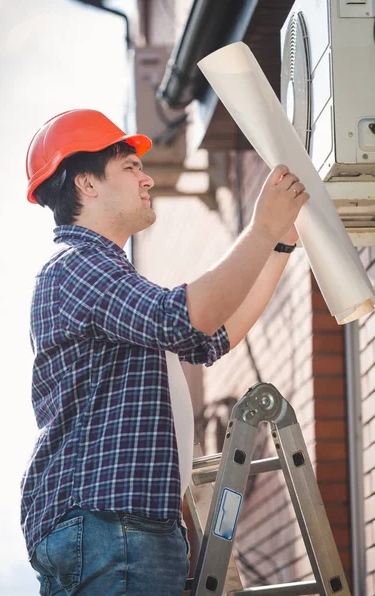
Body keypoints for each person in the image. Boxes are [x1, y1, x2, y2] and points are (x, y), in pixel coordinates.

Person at [21, 109, 309, 596]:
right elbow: (184, 317)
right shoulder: (76, 269)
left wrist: (276, 246)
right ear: (86, 184)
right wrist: (261, 229)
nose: (147, 177)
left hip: (122, 529)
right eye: (130, 167)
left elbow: (212, 336)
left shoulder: (108, 277)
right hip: (110, 527)